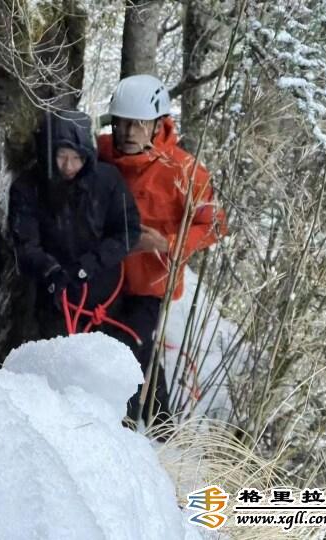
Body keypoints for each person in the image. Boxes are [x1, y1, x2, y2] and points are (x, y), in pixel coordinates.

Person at [97, 74, 228, 428]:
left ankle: (122, 428)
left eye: (138, 124)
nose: (128, 132)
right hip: (106, 278)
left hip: (152, 285)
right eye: (122, 123)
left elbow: (215, 226)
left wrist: (167, 243)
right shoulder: (102, 153)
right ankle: (163, 426)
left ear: (158, 125)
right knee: (135, 348)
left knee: (128, 346)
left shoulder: (185, 171)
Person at [9, 109, 141, 339]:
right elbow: (25, 243)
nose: (69, 166)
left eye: (77, 157)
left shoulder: (107, 181)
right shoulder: (28, 188)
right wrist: (49, 269)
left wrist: (91, 264)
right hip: (56, 298)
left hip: (105, 296)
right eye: (62, 156)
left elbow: (128, 230)